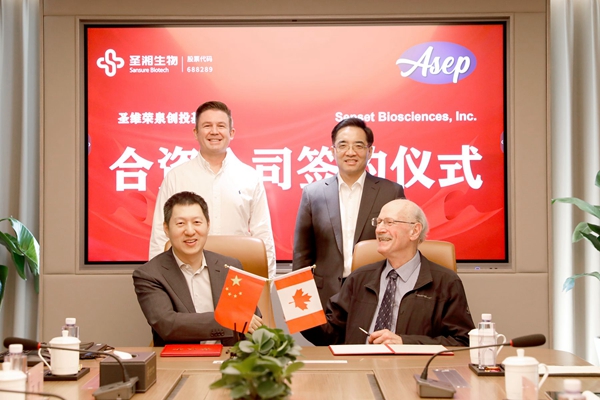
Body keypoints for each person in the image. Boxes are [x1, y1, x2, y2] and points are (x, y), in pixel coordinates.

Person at [301, 199, 474, 346]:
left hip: (412, 370)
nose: (379, 229)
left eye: (389, 223)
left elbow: (462, 341)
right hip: (359, 369)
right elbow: (331, 333)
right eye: (379, 222)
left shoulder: (446, 282)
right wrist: (301, 314)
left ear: (415, 231)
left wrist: (405, 343)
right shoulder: (359, 278)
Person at [149, 101, 276, 278]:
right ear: (196, 132)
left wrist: (265, 282)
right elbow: (160, 235)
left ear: (231, 133)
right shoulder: (176, 177)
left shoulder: (250, 177)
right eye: (207, 126)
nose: (214, 132)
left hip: (237, 277)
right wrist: (158, 281)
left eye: (221, 126)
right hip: (186, 276)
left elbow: (263, 235)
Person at [293, 118, 405, 308]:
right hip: (325, 295)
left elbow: (402, 247)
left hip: (376, 291)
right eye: (343, 145)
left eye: (358, 146)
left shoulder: (391, 192)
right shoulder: (313, 194)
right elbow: (302, 255)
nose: (351, 152)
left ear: (370, 151)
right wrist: (297, 303)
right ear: (333, 151)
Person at [134, 191, 262, 346]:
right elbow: (167, 325)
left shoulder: (230, 267)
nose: (190, 231)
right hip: (181, 358)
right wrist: (230, 319)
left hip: (229, 356)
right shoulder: (150, 274)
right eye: (180, 224)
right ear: (166, 229)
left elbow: (252, 321)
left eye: (196, 222)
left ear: (208, 225)